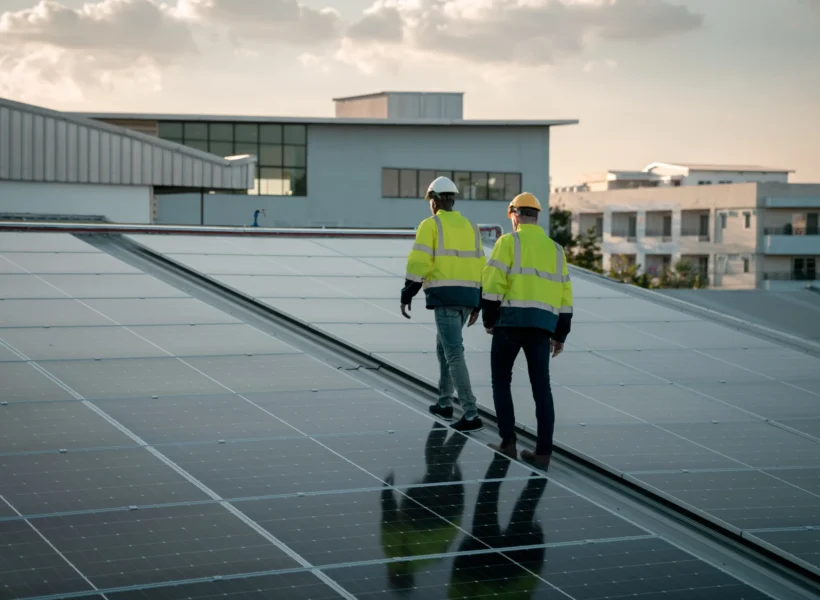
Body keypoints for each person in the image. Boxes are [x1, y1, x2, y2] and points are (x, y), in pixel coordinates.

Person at [480, 192, 573, 469]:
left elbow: (494, 283)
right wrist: (561, 334)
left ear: (514, 216)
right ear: (537, 217)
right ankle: (543, 453)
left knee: (501, 381)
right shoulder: (556, 250)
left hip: (509, 323)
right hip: (542, 328)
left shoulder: (508, 242)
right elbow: (565, 296)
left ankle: (508, 442)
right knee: (541, 388)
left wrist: (489, 319)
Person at [401, 176, 486, 433]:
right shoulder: (471, 226)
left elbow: (419, 262)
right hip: (467, 297)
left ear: (435, 201)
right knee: (444, 348)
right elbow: (481, 264)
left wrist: (407, 293)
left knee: (453, 353)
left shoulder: (431, 225)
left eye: (431, 200)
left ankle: (471, 413)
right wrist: (479, 302)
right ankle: (445, 403)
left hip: (445, 296)